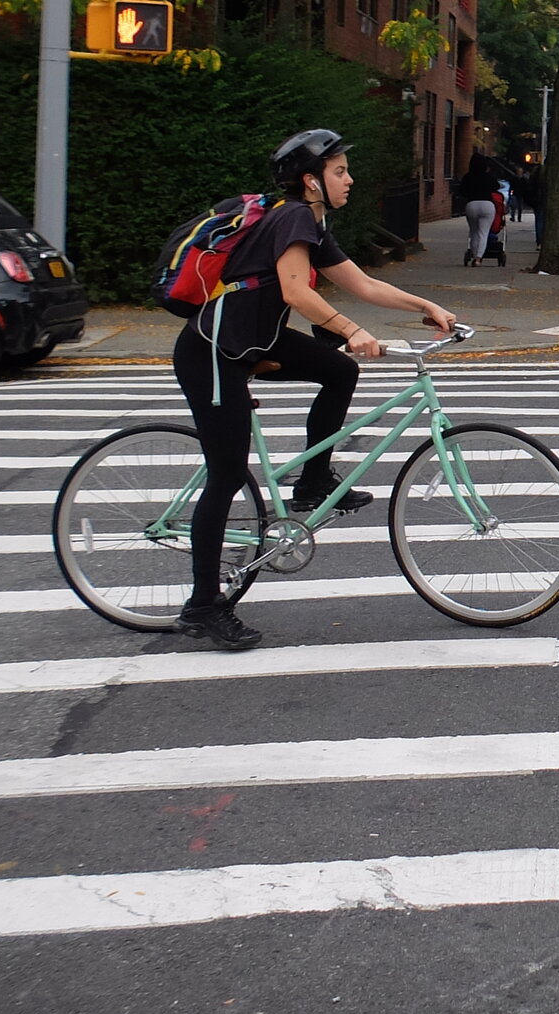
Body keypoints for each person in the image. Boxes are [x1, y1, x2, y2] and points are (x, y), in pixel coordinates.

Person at [170, 129, 459, 651]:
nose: (350, 179)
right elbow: (294, 291)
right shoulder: (294, 216)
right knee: (227, 474)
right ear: (312, 180)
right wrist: (351, 331)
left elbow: (364, 284)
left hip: (251, 345)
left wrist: (425, 307)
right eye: (340, 171)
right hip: (212, 353)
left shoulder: (312, 222)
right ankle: (202, 607)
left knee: (339, 371)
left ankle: (313, 481)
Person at [458, 148, 503, 267]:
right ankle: (478, 258)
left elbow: (462, 191)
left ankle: (473, 253)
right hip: (487, 205)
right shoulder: (488, 176)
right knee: (484, 233)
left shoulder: (468, 176)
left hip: (472, 204)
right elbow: (496, 186)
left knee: (473, 232)